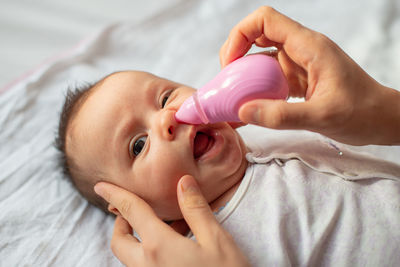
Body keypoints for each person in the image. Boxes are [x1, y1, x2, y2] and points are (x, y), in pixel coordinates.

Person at [57, 6, 400, 267]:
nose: (167, 117)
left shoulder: (269, 129)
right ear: (136, 210)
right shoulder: (214, 248)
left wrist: (384, 110)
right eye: (138, 144)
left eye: (164, 98)